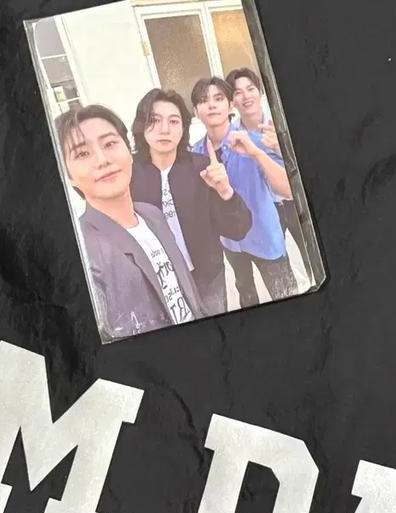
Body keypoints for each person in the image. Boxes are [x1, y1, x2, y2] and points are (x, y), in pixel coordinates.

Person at [56, 104, 204, 340]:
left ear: (129, 151)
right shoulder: (84, 253)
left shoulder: (152, 215)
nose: (102, 160)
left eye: (109, 144)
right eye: (82, 153)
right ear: (69, 176)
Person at [129, 88, 253, 315]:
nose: (164, 129)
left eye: (174, 121)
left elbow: (238, 230)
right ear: (141, 125)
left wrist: (226, 192)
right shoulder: (129, 173)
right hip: (160, 282)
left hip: (207, 277)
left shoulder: (202, 167)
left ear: (183, 128)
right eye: (154, 120)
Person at [189, 77, 297, 308]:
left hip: (264, 237)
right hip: (230, 241)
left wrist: (256, 154)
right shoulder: (195, 154)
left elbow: (288, 190)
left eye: (219, 98)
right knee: (245, 294)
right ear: (196, 112)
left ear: (230, 105)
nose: (212, 105)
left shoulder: (255, 141)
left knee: (286, 295)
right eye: (204, 100)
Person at [226, 66, 313, 281]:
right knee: (279, 266)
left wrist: (280, 149)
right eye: (238, 92)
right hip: (266, 208)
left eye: (251, 89)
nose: (246, 96)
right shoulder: (232, 136)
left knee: (313, 255)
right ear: (232, 101)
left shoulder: (281, 122)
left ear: (260, 92)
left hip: (294, 204)